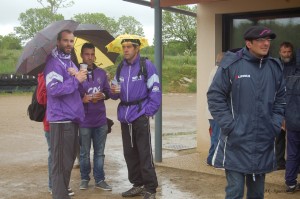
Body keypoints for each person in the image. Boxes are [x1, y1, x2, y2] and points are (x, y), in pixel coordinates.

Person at [207, 25, 286, 199]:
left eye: (268, 40)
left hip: (263, 141)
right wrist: (230, 126)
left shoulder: (274, 67)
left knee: (257, 194)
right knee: (235, 192)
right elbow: (215, 97)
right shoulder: (231, 65)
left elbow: (281, 98)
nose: (266, 44)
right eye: (261, 40)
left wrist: (274, 124)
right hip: (236, 140)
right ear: (248, 43)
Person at [110, 38, 161, 199]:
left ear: (136, 49)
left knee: (144, 153)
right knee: (129, 153)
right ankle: (137, 184)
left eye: (128, 47)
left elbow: (156, 89)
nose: (125, 50)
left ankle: (150, 188)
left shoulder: (147, 66)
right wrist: (112, 90)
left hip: (140, 116)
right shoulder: (120, 67)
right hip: (125, 117)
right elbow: (113, 94)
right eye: (123, 47)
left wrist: (148, 112)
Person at [44, 29, 87, 199]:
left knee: (67, 164)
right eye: (66, 41)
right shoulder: (53, 63)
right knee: (60, 166)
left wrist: (79, 76)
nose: (69, 44)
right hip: (61, 120)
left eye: (71, 41)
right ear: (58, 42)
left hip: (72, 119)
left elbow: (79, 88)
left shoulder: (70, 63)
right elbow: (53, 89)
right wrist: (75, 79)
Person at [77, 43, 112, 191]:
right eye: (87, 54)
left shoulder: (102, 73)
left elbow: (109, 92)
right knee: (84, 153)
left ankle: (100, 179)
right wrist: (82, 99)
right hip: (84, 121)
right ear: (82, 56)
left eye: (92, 54)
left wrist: (102, 95)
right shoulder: (76, 74)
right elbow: (70, 96)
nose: (90, 57)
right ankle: (84, 178)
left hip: (100, 120)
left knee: (99, 153)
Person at [276, 42, 297, 170]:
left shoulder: (296, 66)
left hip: (294, 107)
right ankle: (279, 163)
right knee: (279, 137)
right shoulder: (276, 66)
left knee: (294, 139)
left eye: (289, 52)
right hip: (279, 106)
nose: (287, 54)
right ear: (280, 52)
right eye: (284, 52)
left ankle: (294, 164)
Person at [284, 48, 300, 193]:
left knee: (292, 153)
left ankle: (290, 183)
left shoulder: (290, 78)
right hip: (293, 121)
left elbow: (284, 101)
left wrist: (284, 119)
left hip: (292, 122)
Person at [206, 52, 224, 166]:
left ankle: (210, 159)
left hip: (211, 112)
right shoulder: (219, 72)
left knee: (214, 136)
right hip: (215, 112)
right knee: (217, 137)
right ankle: (214, 160)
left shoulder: (214, 70)